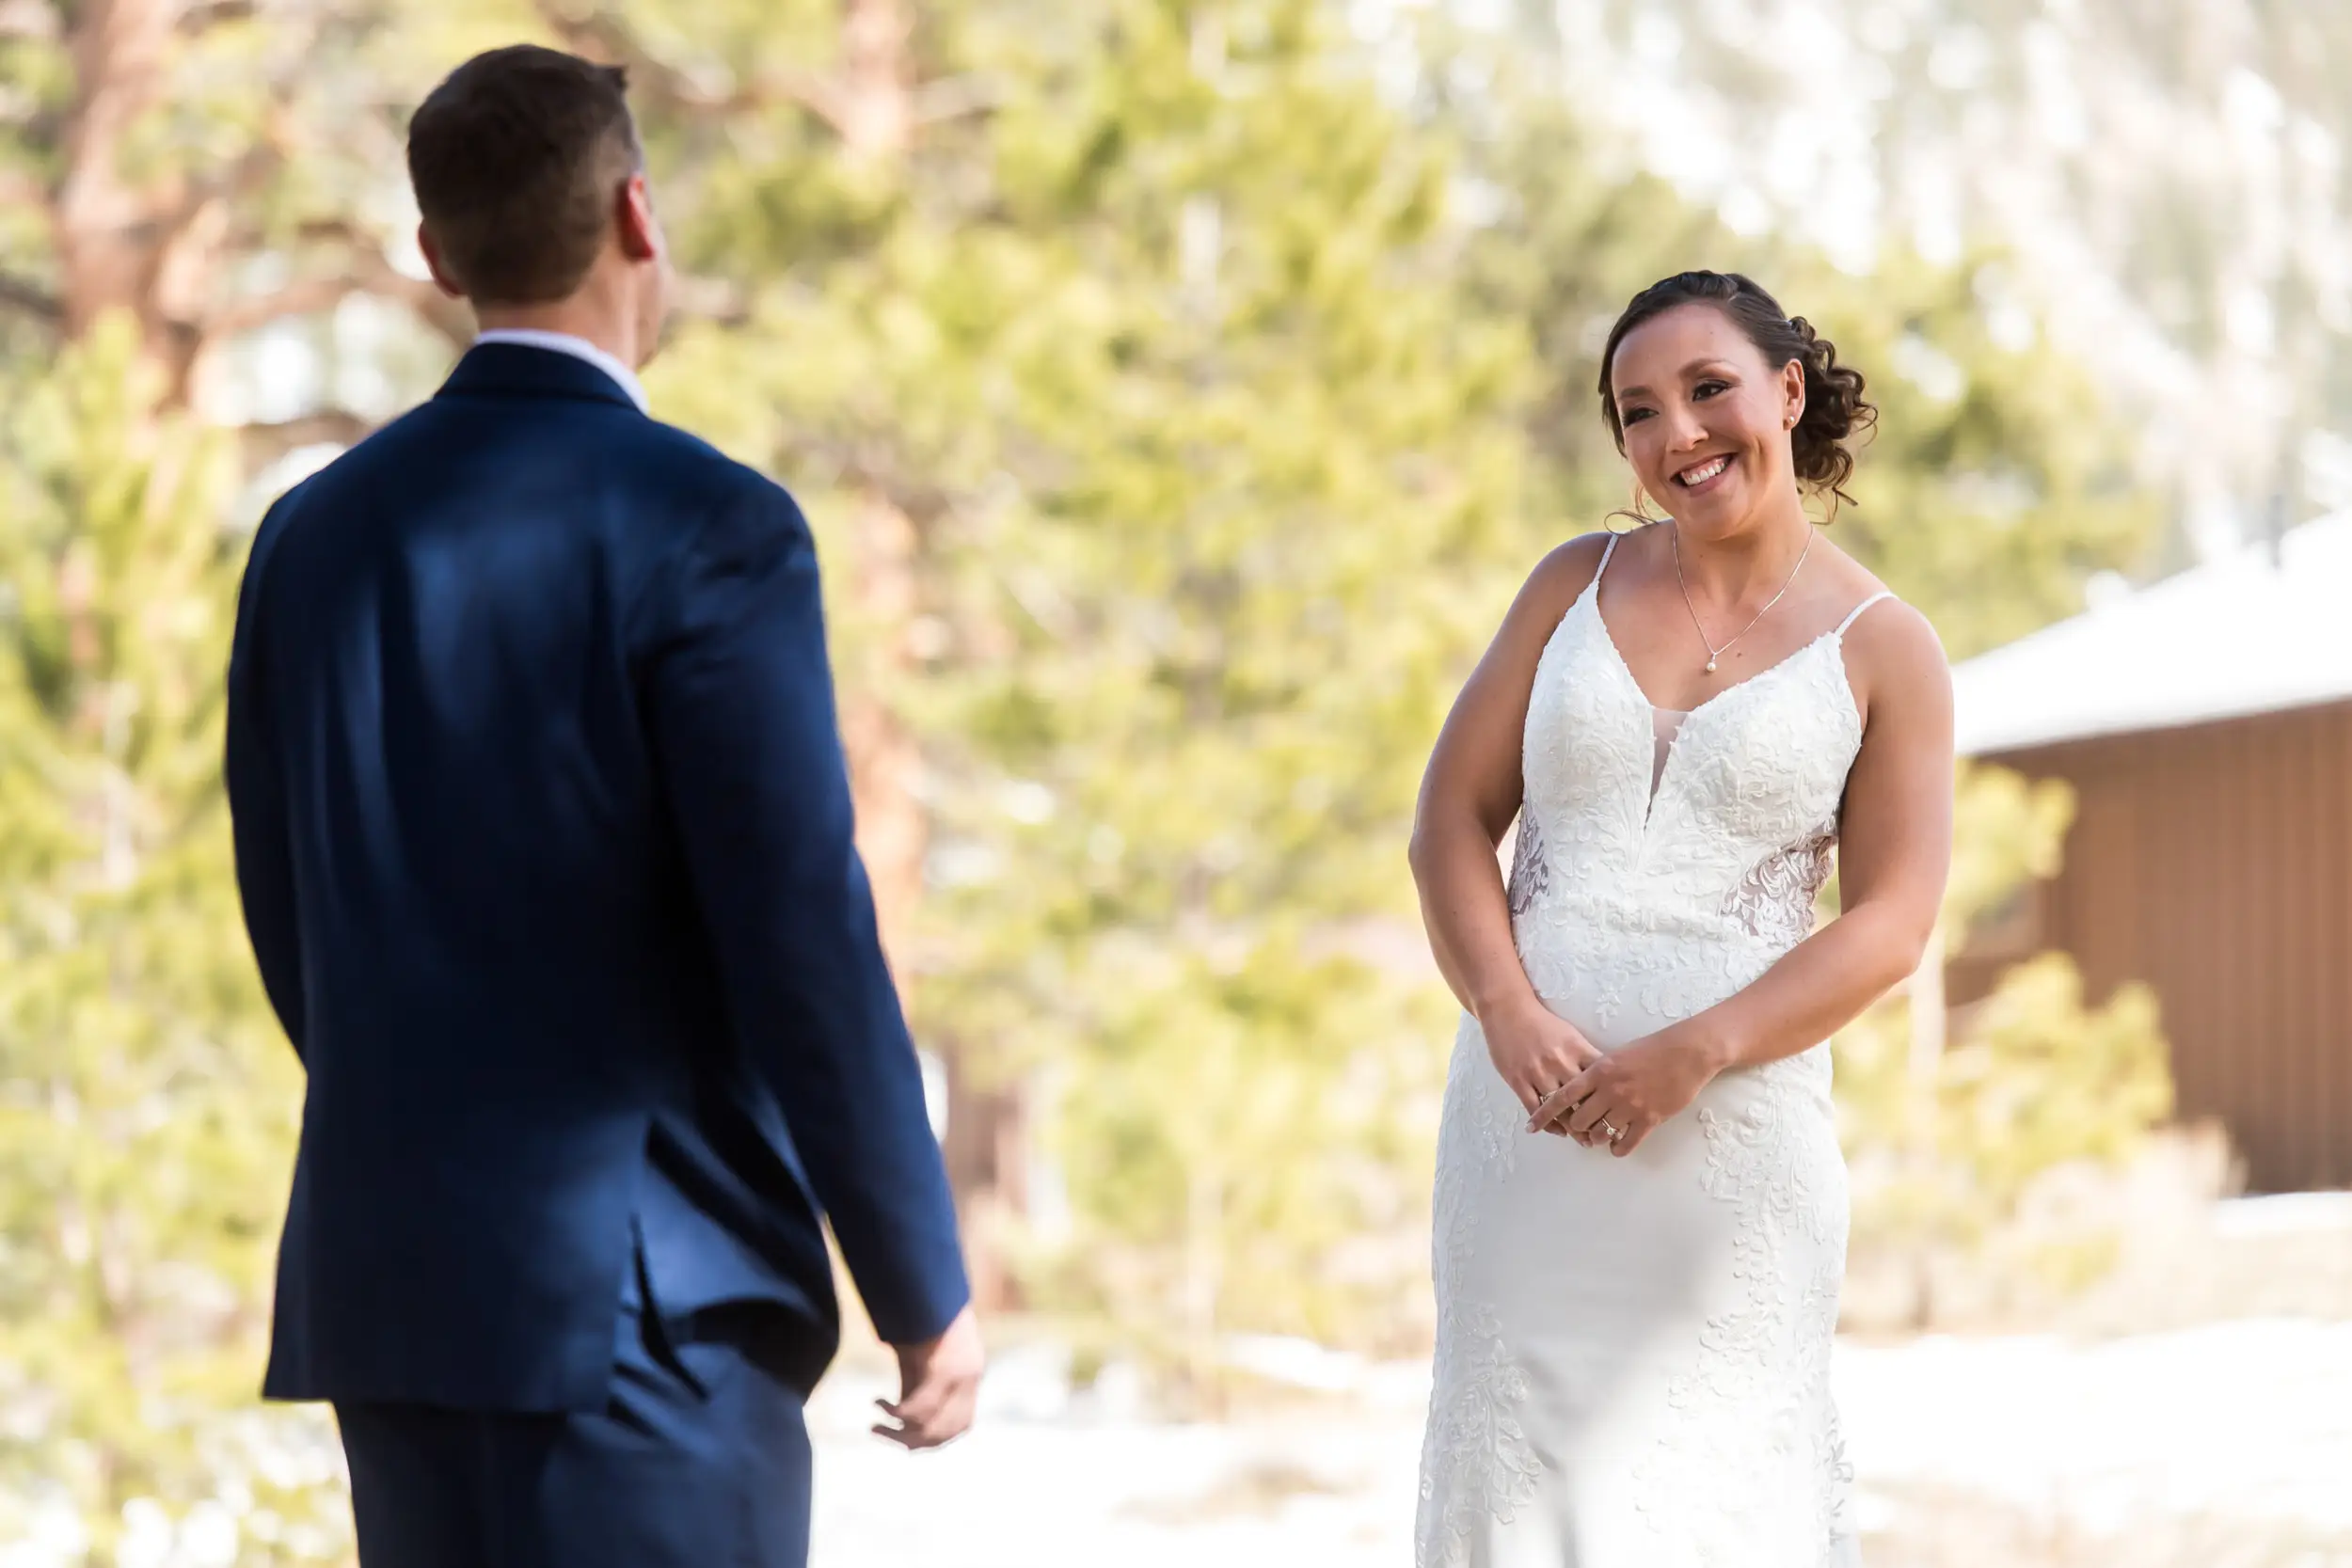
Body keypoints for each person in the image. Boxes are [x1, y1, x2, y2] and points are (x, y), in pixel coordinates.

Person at [223, 44, 981, 1567]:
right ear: (641, 213)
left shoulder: (304, 538)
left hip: (395, 1293)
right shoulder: (710, 523)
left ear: (437, 255)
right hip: (651, 1306)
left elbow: (289, 913)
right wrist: (920, 1280)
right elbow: (800, 937)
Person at [1406, 270, 1953, 1566]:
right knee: (1515, 1488)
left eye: (1708, 390)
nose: (1679, 436)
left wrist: (1698, 1048)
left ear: (1787, 389)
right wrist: (1505, 1008)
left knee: (1719, 1497)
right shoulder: (1568, 585)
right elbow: (1446, 823)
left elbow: (1890, 923)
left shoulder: (1889, 648)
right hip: (1523, 1134)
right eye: (1637, 412)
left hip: (1735, 1158)